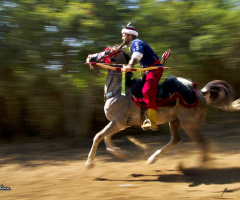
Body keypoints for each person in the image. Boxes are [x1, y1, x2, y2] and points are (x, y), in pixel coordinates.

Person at [121, 25, 164, 131]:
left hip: (154, 70)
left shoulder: (136, 43)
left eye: (124, 35)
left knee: (147, 91)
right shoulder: (134, 44)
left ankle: (152, 121)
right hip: (149, 71)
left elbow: (137, 54)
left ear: (129, 36)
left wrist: (130, 66)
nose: (122, 38)